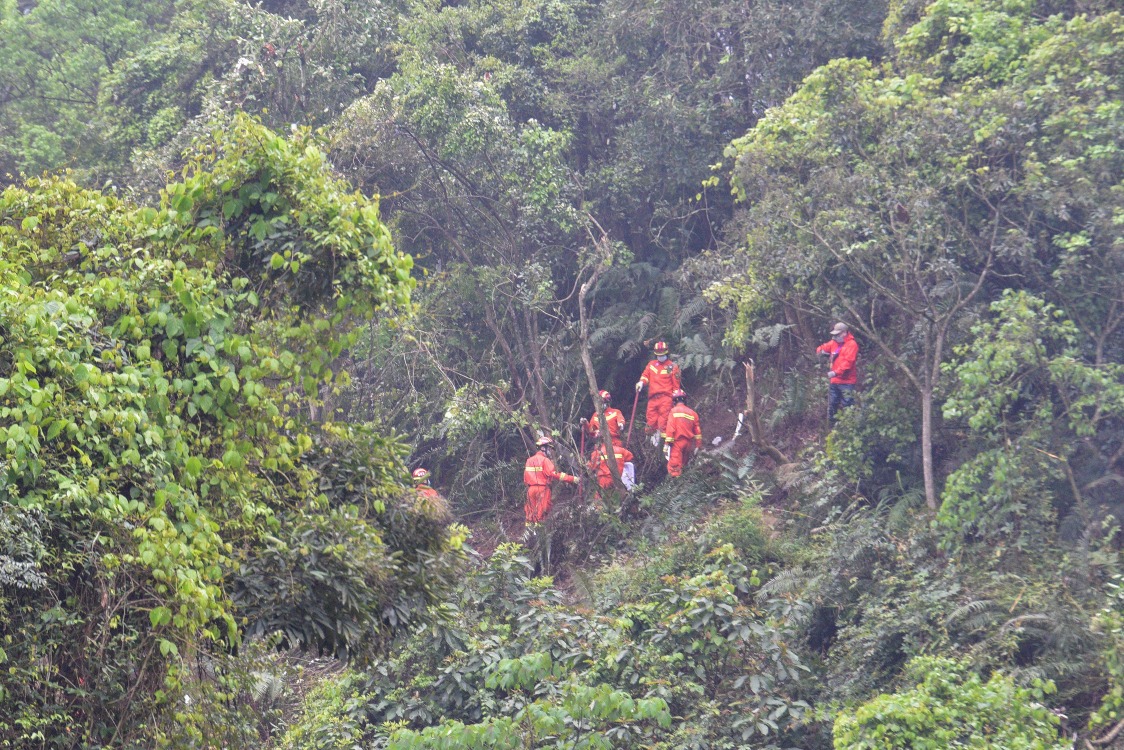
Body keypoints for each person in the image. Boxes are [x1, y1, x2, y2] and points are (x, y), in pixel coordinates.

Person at [523, 436, 577, 525]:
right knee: (542, 512)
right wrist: (572, 479)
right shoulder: (545, 460)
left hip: (531, 490)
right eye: (549, 449)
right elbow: (554, 474)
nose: (550, 452)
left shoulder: (529, 460)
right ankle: (540, 534)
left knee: (530, 512)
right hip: (542, 490)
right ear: (543, 448)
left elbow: (525, 478)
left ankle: (529, 532)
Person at [635, 341, 682, 445]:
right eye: (659, 355)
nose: (661, 357)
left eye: (663, 355)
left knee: (663, 423)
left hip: (666, 399)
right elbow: (645, 375)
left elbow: (676, 386)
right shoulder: (651, 365)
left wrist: (676, 400)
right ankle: (650, 446)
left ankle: (663, 448)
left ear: (667, 353)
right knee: (650, 422)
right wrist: (641, 383)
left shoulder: (672, 367)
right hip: (652, 399)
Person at [815, 322, 859, 424]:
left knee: (848, 405)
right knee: (832, 405)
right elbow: (821, 348)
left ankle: (849, 426)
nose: (835, 337)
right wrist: (821, 352)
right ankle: (832, 427)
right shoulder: (833, 343)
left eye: (837, 334)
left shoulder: (852, 345)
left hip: (847, 382)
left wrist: (835, 372)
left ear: (844, 333)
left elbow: (848, 363)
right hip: (834, 381)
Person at [664, 389, 702, 477]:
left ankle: (676, 487)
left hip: (677, 443)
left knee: (675, 468)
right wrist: (698, 445)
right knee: (683, 466)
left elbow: (670, 429)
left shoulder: (673, 411)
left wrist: (666, 444)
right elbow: (698, 432)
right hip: (688, 444)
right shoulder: (693, 413)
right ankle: (683, 483)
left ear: (674, 401)